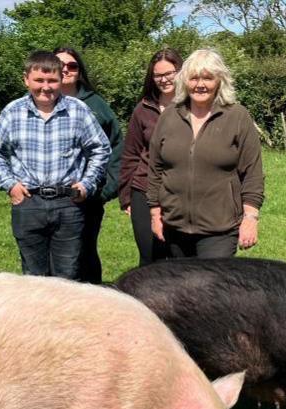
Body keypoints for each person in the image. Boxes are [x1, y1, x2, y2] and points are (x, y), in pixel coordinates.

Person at [0, 50, 111, 279]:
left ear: (61, 80)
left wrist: (87, 184)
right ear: (26, 79)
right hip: (29, 202)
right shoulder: (13, 112)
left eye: (52, 80)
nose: (46, 87)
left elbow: (101, 148)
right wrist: (9, 184)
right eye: (39, 80)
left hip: (68, 204)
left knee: (68, 275)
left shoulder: (77, 110)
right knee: (34, 276)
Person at [147, 48, 264, 258]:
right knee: (180, 289)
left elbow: (253, 173)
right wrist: (155, 213)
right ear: (184, 81)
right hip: (174, 227)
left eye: (207, 78)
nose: (200, 85)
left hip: (220, 228)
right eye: (193, 78)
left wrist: (250, 218)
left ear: (219, 81)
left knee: (210, 289)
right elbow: (155, 168)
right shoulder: (170, 116)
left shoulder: (237, 116)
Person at [54, 47, 123, 284]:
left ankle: (91, 305)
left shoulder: (96, 105)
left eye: (72, 65)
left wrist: (103, 190)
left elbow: (116, 148)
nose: (65, 70)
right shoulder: (40, 102)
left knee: (83, 255)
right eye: (59, 65)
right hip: (46, 198)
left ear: (79, 70)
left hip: (86, 198)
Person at [119, 48, 183, 266]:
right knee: (149, 256)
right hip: (144, 189)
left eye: (169, 73)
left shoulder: (194, 106)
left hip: (182, 191)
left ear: (181, 71)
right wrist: (126, 196)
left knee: (180, 257)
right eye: (158, 75)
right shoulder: (143, 109)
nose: (164, 80)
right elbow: (131, 154)